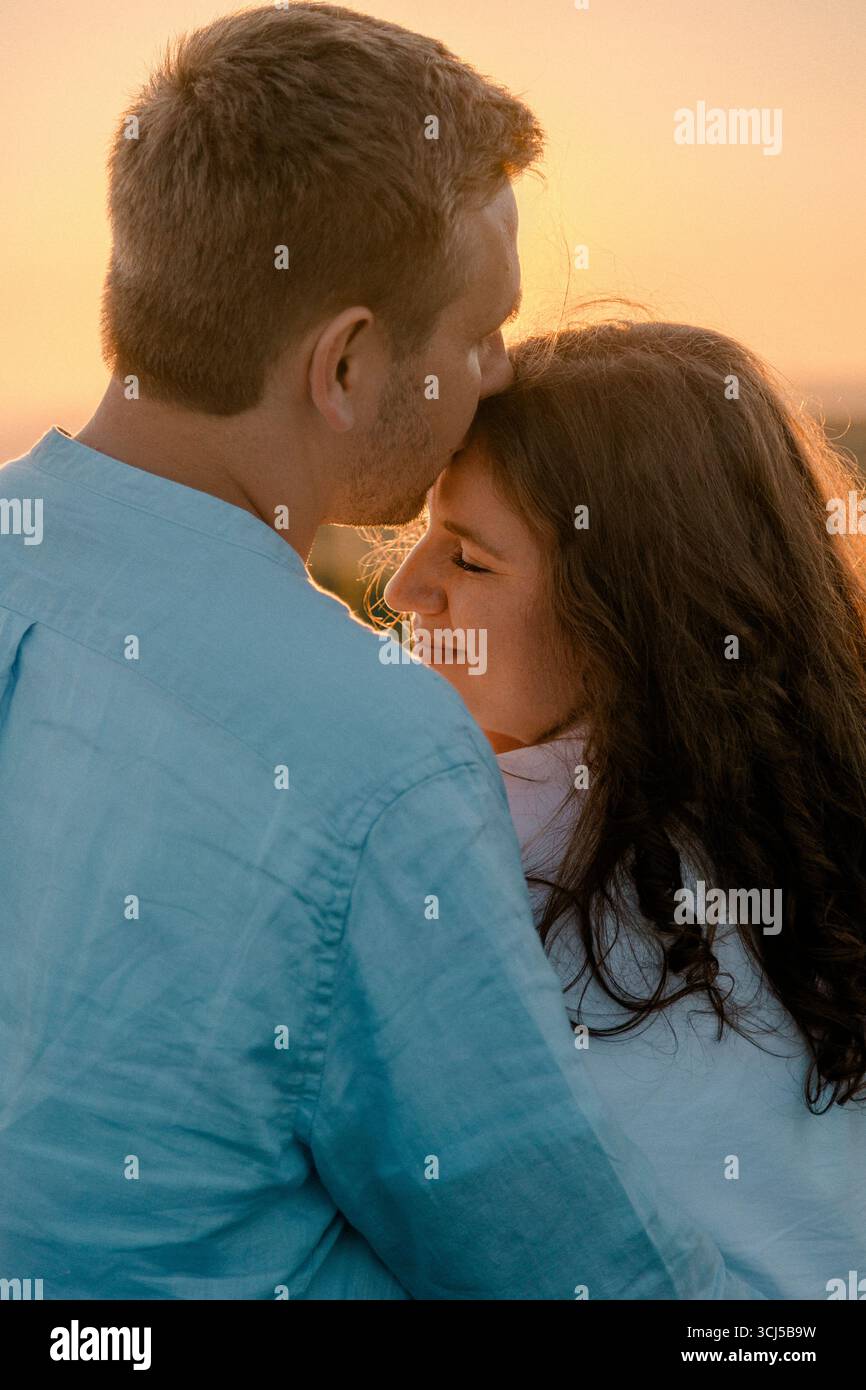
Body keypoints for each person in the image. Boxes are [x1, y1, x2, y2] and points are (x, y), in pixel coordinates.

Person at [0, 7, 760, 1300]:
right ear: (346, 365)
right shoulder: (369, 750)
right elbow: (580, 1272)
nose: (501, 373)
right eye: (477, 333)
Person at [385, 318, 866, 1299]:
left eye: (467, 561)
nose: (403, 586)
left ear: (630, 617)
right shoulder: (813, 818)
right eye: (420, 532)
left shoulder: (482, 850)